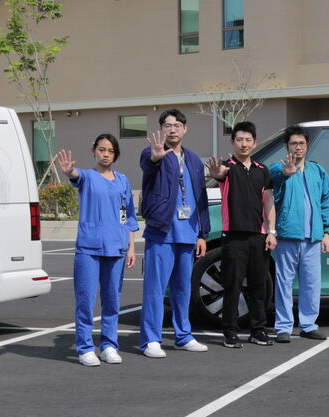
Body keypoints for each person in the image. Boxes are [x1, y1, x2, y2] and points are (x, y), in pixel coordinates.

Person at [56, 136, 138, 366]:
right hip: (89, 249)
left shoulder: (122, 181)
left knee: (112, 300)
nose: (106, 154)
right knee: (86, 300)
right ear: (94, 151)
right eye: (101, 149)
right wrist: (69, 172)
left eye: (110, 150)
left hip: (116, 248)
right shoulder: (87, 177)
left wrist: (131, 247)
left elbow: (127, 215)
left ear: (115, 154)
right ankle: (85, 348)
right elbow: (76, 176)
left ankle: (109, 346)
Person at [137, 109, 210, 357]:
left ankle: (183, 336)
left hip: (188, 232)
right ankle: (150, 339)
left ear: (185, 129)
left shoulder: (193, 160)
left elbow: (200, 197)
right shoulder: (152, 152)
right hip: (162, 231)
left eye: (177, 125)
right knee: (155, 289)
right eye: (167, 125)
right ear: (161, 129)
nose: (172, 129)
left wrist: (203, 233)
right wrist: (155, 158)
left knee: (183, 289)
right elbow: (148, 163)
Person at [207, 120, 277, 348]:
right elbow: (219, 173)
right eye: (239, 139)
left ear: (255, 143)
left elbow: (268, 202)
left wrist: (271, 232)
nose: (244, 144)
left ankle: (258, 330)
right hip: (233, 236)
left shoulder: (262, 170)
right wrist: (216, 172)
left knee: (259, 286)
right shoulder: (228, 168)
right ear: (232, 142)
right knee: (232, 285)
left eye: (248, 140)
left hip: (258, 235)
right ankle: (230, 331)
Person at [269, 125, 329, 341]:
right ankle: (283, 327)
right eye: (293, 143)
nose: (297, 147)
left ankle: (308, 325)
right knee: (284, 283)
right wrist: (285, 173)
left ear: (307, 145)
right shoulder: (278, 167)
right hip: (287, 235)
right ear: (286, 146)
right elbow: (274, 179)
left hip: (313, 238)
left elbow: (327, 200)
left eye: (301, 143)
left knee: (311, 284)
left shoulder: (318, 171)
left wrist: (327, 232)